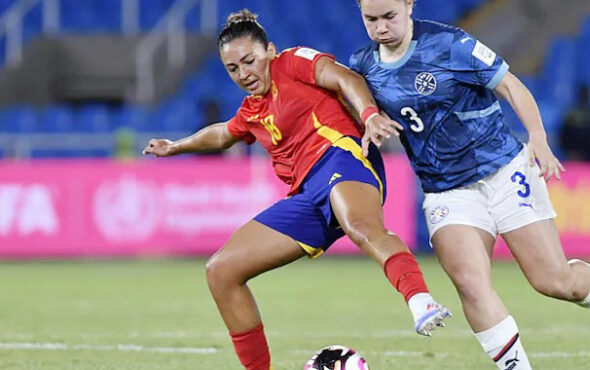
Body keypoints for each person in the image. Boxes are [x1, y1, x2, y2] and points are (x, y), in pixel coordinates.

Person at [349, 1, 590, 369]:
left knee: (553, 280)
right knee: (470, 283)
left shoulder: (450, 44)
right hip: (447, 191)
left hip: (504, 171)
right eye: (371, 19)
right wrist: (370, 119)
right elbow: (357, 106)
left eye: (389, 17)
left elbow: (509, 84)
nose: (381, 27)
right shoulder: (363, 66)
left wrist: (537, 136)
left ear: (409, 6)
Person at [142, 9, 451, 369]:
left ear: (270, 50)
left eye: (249, 61)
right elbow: (224, 134)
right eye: (233, 69)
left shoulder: (292, 63)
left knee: (362, 227)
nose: (244, 74)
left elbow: (344, 78)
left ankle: (420, 300)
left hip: (342, 157)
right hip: (306, 195)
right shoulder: (252, 110)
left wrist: (368, 115)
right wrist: (175, 146)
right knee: (221, 271)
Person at [558, 84, 590, 161]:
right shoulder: (570, 115)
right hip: (572, 156)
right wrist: (571, 152)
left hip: (588, 156)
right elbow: (564, 135)